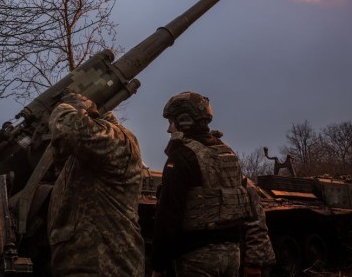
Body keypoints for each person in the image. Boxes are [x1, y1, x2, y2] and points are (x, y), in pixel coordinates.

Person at [151, 91, 275, 277]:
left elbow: (168, 216)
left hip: (195, 258)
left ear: (184, 120)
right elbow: (254, 209)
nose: (169, 129)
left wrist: (158, 266)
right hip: (233, 257)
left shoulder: (182, 157)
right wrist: (255, 260)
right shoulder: (227, 153)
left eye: (171, 122)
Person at [48, 91, 145, 277]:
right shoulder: (91, 155)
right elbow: (62, 154)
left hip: (105, 265)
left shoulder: (118, 141)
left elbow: (68, 129)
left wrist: (70, 107)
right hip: (87, 264)